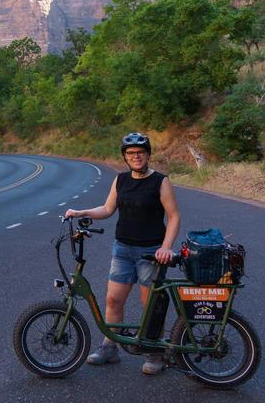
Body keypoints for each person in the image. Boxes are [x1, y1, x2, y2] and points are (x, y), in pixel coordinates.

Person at [64, 132, 180, 375]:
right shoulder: (121, 180)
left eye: (140, 152)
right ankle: (110, 346)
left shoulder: (160, 181)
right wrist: (80, 211)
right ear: (125, 157)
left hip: (151, 252)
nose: (136, 156)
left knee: (150, 305)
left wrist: (166, 246)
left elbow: (174, 216)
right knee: (113, 300)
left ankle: (154, 353)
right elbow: (107, 209)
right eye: (130, 153)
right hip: (123, 249)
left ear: (148, 155)